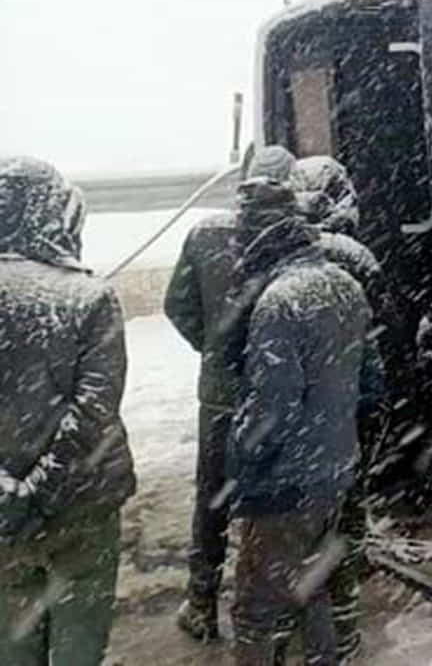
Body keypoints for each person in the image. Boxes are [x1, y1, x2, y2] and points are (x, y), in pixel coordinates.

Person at [225, 174, 378, 665]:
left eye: (241, 231)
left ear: (256, 234)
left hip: (284, 483)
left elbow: (271, 409)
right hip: (335, 471)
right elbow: (373, 386)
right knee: (313, 589)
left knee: (255, 610)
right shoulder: (344, 285)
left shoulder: (277, 302)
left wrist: (242, 456)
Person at [0, 156, 136, 666]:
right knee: (80, 644)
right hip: (84, 507)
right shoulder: (90, 297)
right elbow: (94, 412)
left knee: (13, 644)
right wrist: (43, 488)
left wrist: (12, 495)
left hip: (3, 520)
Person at [164, 145, 295, 640]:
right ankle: (272, 607)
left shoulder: (205, 234)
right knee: (275, 499)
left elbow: (177, 305)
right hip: (276, 393)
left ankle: (202, 601)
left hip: (220, 396)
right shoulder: (295, 236)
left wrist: (215, 348)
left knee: (212, 500)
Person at [289, 155, 384, 663]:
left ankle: (320, 605)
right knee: (350, 494)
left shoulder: (288, 260)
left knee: (311, 511)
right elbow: (378, 331)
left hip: (306, 405)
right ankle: (347, 595)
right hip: (350, 398)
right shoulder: (356, 257)